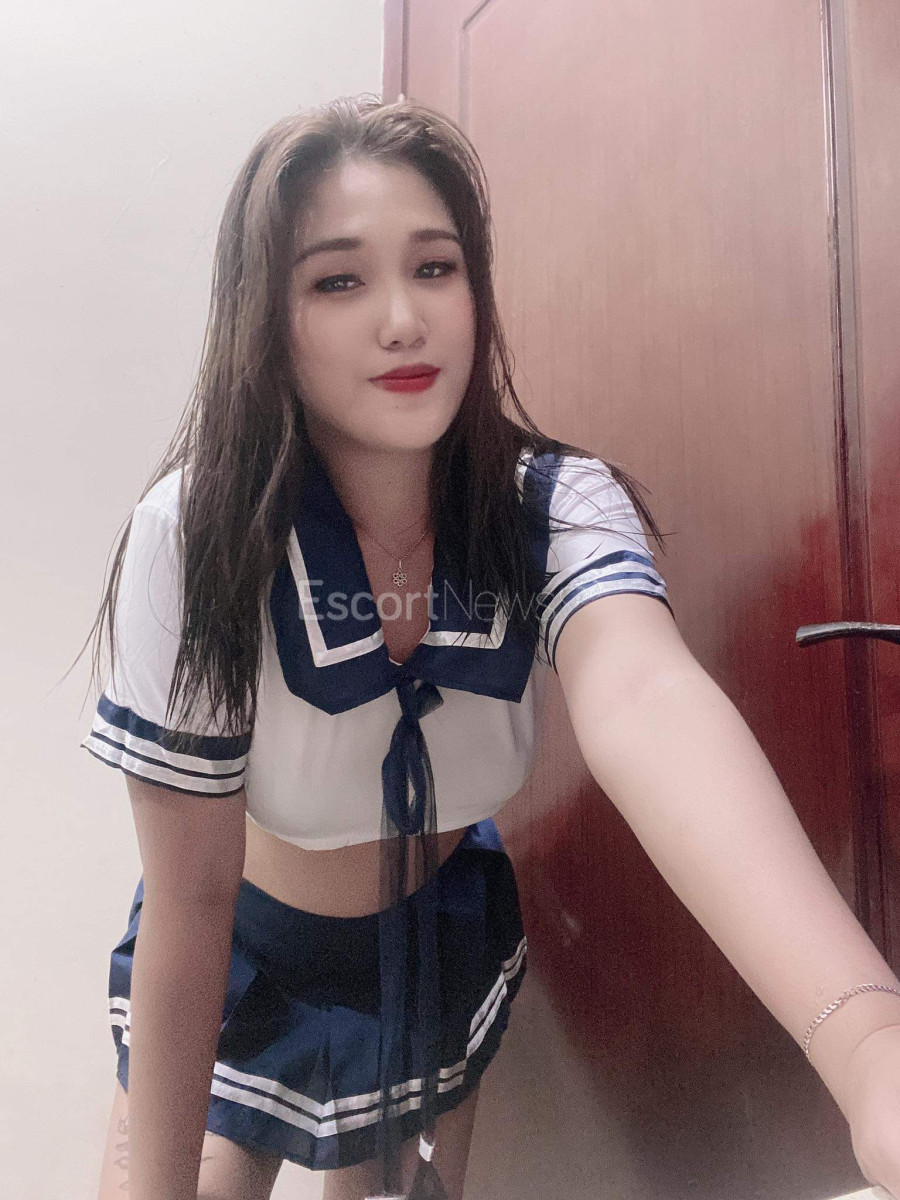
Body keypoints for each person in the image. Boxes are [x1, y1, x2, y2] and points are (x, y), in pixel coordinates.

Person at [77, 95, 900, 1200]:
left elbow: (647, 697)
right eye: (338, 281)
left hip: (436, 937)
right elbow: (191, 903)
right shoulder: (199, 535)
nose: (403, 321)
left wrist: (870, 1048)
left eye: (435, 268)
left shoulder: (556, 503)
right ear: (264, 314)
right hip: (244, 964)